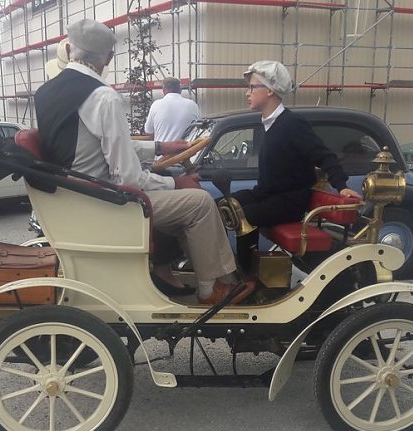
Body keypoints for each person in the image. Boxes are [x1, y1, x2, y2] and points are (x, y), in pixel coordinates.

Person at [33, 19, 254, 305]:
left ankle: (171, 273)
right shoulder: (102, 97)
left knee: (182, 199)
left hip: (74, 198)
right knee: (199, 202)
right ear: (108, 58)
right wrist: (176, 181)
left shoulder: (46, 92)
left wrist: (160, 147)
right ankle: (212, 288)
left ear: (69, 48)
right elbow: (128, 179)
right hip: (103, 203)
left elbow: (97, 146)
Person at [229, 60, 361, 227]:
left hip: (288, 203)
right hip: (265, 195)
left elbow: (324, 156)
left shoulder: (292, 124)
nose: (247, 93)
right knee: (219, 206)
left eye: (252, 87)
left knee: (240, 216)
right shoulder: (269, 124)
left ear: (270, 90)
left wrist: (342, 186)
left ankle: (243, 254)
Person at [144, 77, 200, 143]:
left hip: (163, 151)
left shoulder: (156, 104)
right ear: (180, 90)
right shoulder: (192, 105)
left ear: (163, 90)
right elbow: (198, 129)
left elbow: (149, 131)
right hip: (187, 151)